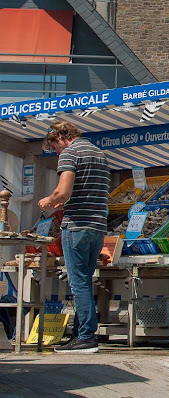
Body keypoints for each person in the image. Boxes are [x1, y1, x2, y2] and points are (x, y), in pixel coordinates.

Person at [38, 121, 110, 353]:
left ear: (61, 137)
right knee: (85, 281)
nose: (57, 152)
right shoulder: (99, 153)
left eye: (55, 147)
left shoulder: (70, 152)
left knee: (78, 282)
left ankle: (86, 336)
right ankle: (80, 334)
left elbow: (64, 191)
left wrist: (49, 201)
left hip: (78, 224)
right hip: (98, 226)